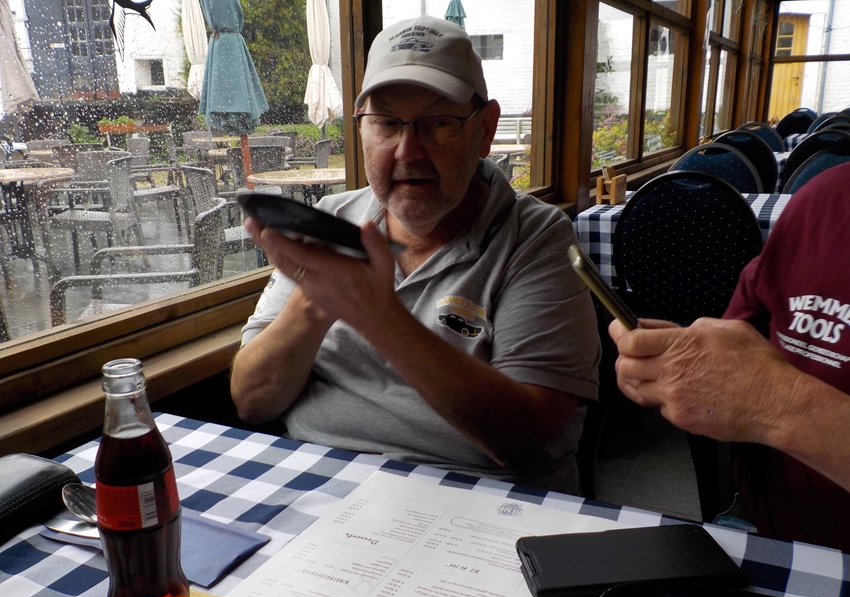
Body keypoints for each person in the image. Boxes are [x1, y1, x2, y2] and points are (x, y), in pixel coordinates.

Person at [230, 16, 600, 493]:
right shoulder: (330, 221)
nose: (408, 151)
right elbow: (251, 402)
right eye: (386, 123)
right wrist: (316, 301)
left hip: (480, 500)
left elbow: (527, 439)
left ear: (485, 129)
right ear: (361, 128)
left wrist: (378, 316)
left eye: (438, 124)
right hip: (319, 483)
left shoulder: (539, 238)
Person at [609, 161, 850, 552]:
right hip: (761, 531)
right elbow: (733, 340)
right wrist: (685, 365)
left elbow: (749, 383)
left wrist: (770, 399)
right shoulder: (822, 199)